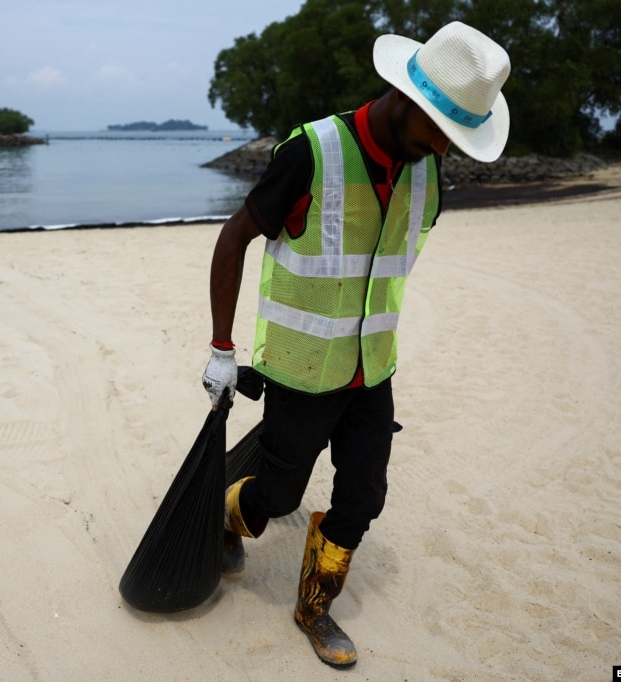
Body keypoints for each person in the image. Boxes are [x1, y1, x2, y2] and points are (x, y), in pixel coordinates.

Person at [201, 21, 511, 669]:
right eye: (440, 133)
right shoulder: (312, 151)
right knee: (279, 495)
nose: (445, 151)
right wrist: (223, 349)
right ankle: (228, 518)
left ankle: (314, 606)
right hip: (299, 368)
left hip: (371, 371)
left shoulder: (426, 175)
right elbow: (233, 238)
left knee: (363, 496)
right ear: (406, 102)